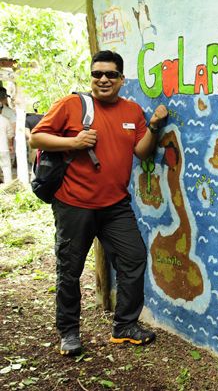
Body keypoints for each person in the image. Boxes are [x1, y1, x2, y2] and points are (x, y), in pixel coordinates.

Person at [30, 50, 168, 356]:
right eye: (97, 74)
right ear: (91, 77)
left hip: (115, 206)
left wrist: (154, 126)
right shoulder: (71, 105)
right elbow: (36, 138)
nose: (103, 79)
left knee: (133, 258)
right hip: (74, 204)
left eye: (110, 74)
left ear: (121, 79)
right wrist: (73, 142)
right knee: (70, 269)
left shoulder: (131, 111)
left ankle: (125, 326)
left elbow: (141, 152)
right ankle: (69, 332)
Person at [0, 87, 14, 183]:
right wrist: (11, 145)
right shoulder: (5, 120)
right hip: (3, 148)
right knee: (6, 167)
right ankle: (8, 184)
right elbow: (10, 135)